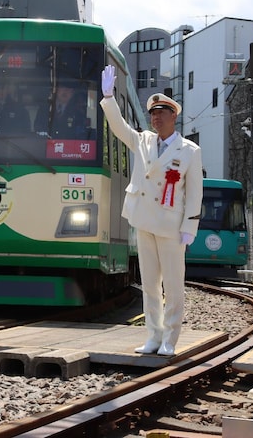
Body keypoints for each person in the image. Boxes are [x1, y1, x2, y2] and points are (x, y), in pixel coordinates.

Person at [100, 64, 203, 357]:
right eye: (152, 114)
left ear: (174, 116)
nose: (155, 118)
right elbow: (120, 128)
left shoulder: (189, 151)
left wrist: (189, 227)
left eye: (161, 113)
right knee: (149, 286)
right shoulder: (143, 141)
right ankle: (153, 336)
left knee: (173, 285)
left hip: (171, 226)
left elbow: (195, 193)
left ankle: (170, 338)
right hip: (144, 220)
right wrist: (108, 99)